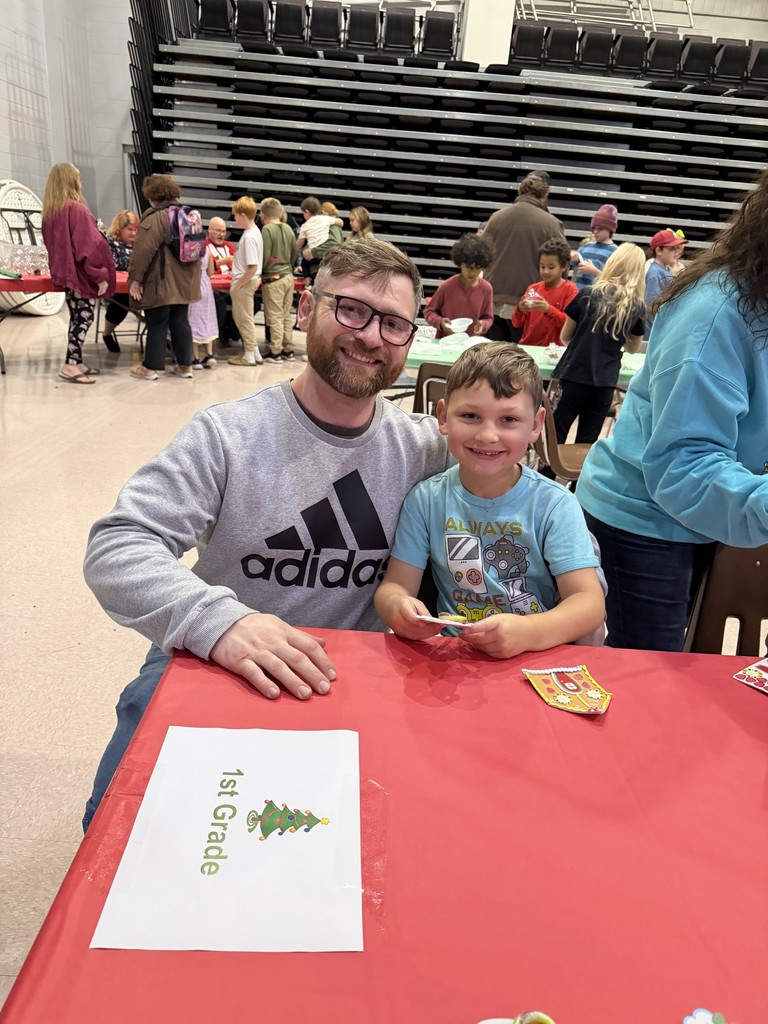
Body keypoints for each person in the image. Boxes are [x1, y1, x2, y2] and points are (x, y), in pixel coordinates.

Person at [82, 238, 449, 830]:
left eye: (394, 323)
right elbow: (119, 545)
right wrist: (221, 624)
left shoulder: (426, 450)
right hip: (215, 661)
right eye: (350, 309)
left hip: (354, 674)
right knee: (119, 833)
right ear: (305, 308)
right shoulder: (228, 435)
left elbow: (521, 513)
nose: (371, 336)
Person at [576, 168, 768, 652]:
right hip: (641, 517)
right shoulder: (717, 312)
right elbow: (682, 465)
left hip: (702, 510)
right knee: (647, 679)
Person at [374, 342, 605, 658]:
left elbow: (589, 604)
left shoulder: (554, 505)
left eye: (508, 420)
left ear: (535, 425)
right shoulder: (425, 501)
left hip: (536, 657)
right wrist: (399, 609)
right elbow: (395, 586)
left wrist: (528, 634)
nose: (487, 435)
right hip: (455, 658)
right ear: (442, 417)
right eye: (470, 415)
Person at [550, 243, 645, 445]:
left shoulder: (587, 294)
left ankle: (547, 475)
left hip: (573, 374)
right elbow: (632, 348)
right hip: (604, 382)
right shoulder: (636, 307)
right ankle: (578, 478)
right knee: (586, 443)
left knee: (556, 436)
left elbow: (565, 336)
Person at [40, 162, 115, 384]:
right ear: (71, 181)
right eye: (78, 178)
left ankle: (76, 360)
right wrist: (99, 274)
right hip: (81, 274)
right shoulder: (77, 209)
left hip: (66, 274)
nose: (81, 182)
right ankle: (70, 365)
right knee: (84, 317)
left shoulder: (51, 212)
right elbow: (87, 247)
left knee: (76, 317)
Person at [127, 174, 200, 381]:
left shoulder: (155, 218)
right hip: (186, 282)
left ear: (151, 196)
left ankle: (151, 368)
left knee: (157, 322)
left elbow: (143, 252)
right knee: (181, 322)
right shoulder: (189, 215)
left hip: (162, 281)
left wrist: (135, 279)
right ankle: (185, 366)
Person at [484, 173, 566, 342]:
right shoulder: (551, 223)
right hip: (529, 304)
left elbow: (482, 257)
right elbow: (561, 262)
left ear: (519, 192)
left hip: (494, 300)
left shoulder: (496, 218)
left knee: (494, 359)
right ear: (545, 195)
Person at [424, 233, 495, 339]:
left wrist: (483, 325)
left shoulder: (486, 289)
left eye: (477, 268)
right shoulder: (447, 286)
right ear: (460, 263)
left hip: (470, 343)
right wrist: (440, 322)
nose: (472, 272)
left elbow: (488, 317)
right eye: (468, 267)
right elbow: (429, 311)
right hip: (445, 342)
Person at [511, 237, 578, 347]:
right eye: (542, 267)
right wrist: (520, 309)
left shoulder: (570, 290)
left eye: (551, 267)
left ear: (564, 266)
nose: (545, 271)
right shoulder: (533, 288)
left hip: (554, 350)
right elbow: (516, 323)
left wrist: (548, 309)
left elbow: (569, 325)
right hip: (528, 346)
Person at [226, 195, 264, 367]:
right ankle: (254, 352)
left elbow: (252, 267)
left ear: (242, 215)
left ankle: (249, 354)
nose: (234, 218)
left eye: (235, 215)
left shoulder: (249, 237)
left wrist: (238, 284)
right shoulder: (255, 232)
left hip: (245, 282)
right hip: (250, 280)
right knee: (245, 318)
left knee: (243, 319)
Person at [259, 196, 297, 363]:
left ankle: (275, 351)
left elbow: (265, 255)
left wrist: (261, 270)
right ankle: (288, 349)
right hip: (288, 276)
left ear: (264, 215)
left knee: (274, 316)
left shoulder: (267, 230)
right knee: (286, 315)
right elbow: (295, 251)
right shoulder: (288, 228)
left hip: (273, 278)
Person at [101, 210, 139, 353]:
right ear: (119, 228)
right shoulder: (110, 243)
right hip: (115, 290)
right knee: (123, 298)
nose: (133, 233)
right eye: (130, 229)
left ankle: (161, 336)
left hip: (138, 287)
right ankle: (107, 334)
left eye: (136, 230)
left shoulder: (139, 244)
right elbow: (113, 265)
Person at [644, 228, 688, 335]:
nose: (677, 252)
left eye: (678, 248)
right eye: (672, 248)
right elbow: (652, 307)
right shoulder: (655, 273)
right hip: (653, 331)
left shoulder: (665, 270)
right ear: (659, 251)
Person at [206, 216, 239, 345]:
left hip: (231, 287)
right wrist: (220, 263)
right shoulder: (204, 246)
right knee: (219, 303)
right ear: (209, 230)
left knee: (254, 302)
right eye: (218, 231)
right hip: (213, 289)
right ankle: (215, 334)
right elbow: (203, 269)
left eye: (224, 231)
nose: (221, 234)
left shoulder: (230, 247)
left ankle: (229, 330)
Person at [572, 204, 619, 291]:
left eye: (600, 229)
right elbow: (570, 264)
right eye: (594, 229)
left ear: (610, 230)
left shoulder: (616, 252)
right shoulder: (586, 246)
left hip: (597, 296)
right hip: (578, 294)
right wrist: (573, 258)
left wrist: (594, 271)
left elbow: (614, 282)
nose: (596, 232)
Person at [296, 196, 344, 281]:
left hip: (321, 263)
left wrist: (293, 249)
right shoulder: (326, 220)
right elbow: (340, 222)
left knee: (304, 261)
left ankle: (307, 279)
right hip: (320, 261)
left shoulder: (305, 225)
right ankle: (308, 279)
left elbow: (334, 245)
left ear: (306, 211)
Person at [189, 246, 218, 369]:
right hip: (206, 286)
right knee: (207, 319)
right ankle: (209, 354)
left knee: (193, 320)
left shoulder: (189, 249)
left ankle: (195, 358)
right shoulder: (207, 249)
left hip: (193, 285)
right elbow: (210, 272)